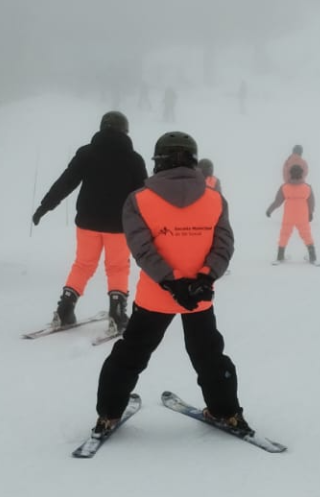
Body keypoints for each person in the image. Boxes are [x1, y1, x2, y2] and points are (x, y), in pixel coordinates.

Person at [92, 131, 250, 435]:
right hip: (199, 295)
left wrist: (172, 283)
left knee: (130, 355)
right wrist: (205, 278)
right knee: (209, 357)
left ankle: (109, 414)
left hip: (156, 295)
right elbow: (224, 244)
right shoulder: (215, 198)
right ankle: (227, 412)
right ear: (193, 160)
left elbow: (143, 248)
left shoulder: (138, 199)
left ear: (158, 161)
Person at [31, 111, 148, 334]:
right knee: (117, 267)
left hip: (87, 222)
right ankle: (117, 314)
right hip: (118, 225)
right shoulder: (134, 159)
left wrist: (44, 207)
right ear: (125, 130)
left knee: (83, 264)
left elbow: (65, 183)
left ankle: (65, 310)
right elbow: (143, 195)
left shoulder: (87, 153)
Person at [266, 163, 316, 264]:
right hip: (302, 215)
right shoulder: (307, 187)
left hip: (288, 216)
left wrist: (269, 210)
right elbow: (311, 202)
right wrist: (310, 213)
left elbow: (277, 201)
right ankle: (312, 256)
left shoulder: (285, 187)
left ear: (290, 174)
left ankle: (280, 256)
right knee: (306, 234)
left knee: (284, 234)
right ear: (302, 174)